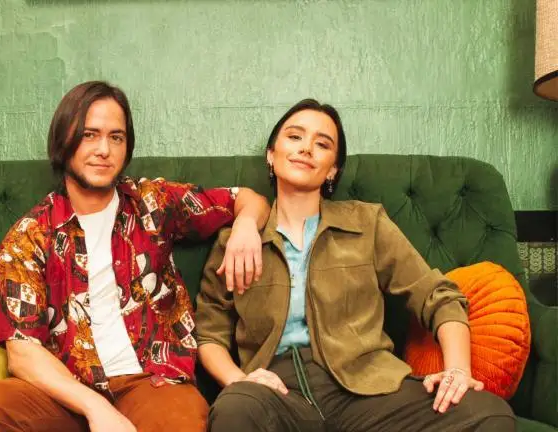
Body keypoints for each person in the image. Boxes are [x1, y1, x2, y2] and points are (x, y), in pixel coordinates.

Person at [0, 81, 270, 432]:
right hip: (67, 390)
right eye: (89, 135)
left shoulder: (151, 202)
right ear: (63, 141)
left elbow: (248, 199)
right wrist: (95, 408)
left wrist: (245, 226)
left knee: (180, 424)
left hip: (151, 383)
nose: (103, 150)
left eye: (116, 137)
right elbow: (22, 352)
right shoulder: (28, 236)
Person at [195, 98, 516, 432]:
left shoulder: (367, 222)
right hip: (276, 392)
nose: (306, 148)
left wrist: (458, 371)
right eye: (294, 136)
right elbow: (209, 333)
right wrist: (239, 379)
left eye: (322, 144)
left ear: (333, 169)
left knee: (489, 414)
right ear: (271, 155)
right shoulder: (235, 241)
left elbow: (437, 296)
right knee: (234, 410)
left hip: (368, 392)